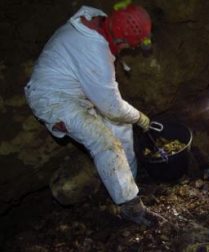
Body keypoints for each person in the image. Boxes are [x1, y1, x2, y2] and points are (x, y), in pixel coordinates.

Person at [24, 3, 163, 226]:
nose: (128, 49)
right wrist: (140, 117)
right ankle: (130, 206)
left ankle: (129, 181)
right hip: (53, 99)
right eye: (128, 46)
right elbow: (112, 107)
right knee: (105, 142)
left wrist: (129, 118)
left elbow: (113, 110)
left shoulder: (98, 18)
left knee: (121, 127)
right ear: (120, 40)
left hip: (76, 88)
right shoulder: (95, 52)